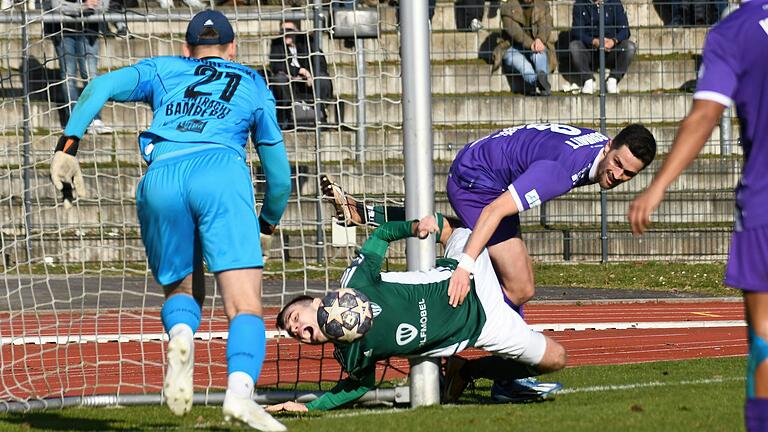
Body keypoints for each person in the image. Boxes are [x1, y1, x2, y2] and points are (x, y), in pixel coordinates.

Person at [48, 11, 291, 431]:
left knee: (182, 286)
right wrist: (266, 226)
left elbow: (100, 84)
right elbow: (281, 178)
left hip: (161, 174)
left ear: (187, 49)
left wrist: (68, 147)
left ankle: (181, 336)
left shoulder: (165, 69)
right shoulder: (251, 82)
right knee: (244, 304)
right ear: (232, 49)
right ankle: (239, 392)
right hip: (220, 171)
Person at [626, 3, 768, 431]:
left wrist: (658, 185)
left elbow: (706, 115)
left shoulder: (735, 31)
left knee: (764, 340)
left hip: (764, 207)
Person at [266, 214, 567, 412]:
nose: (298, 330)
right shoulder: (352, 354)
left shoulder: (354, 281)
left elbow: (381, 235)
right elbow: (359, 386)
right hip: (480, 328)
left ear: (314, 301)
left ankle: (366, 210)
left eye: (295, 319)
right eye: (297, 334)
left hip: (466, 274)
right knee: (555, 359)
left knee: (453, 227)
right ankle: (470, 371)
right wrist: (309, 407)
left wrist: (416, 226)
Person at [442, 123, 656, 317]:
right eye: (617, 163)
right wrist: (464, 268)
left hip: (484, 165)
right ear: (609, 146)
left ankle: (513, 349)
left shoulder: (597, 147)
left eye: (628, 173)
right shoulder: (561, 172)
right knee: (520, 288)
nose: (618, 175)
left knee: (519, 276)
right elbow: (493, 211)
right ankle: (445, 323)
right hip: (473, 182)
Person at [46, 0, 113, 133]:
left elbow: (104, 6)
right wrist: (85, 7)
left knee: (91, 75)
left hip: (89, 30)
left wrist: (79, 8)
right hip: (63, 30)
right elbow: (57, 6)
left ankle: (95, 119)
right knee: (68, 77)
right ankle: (75, 121)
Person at [268, 19, 333, 128]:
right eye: (282, 30)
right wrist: (299, 71)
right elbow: (276, 66)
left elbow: (320, 63)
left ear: (297, 31)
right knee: (279, 79)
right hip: (290, 83)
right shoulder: (277, 43)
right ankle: (285, 118)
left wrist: (310, 75)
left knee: (323, 77)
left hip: (308, 82)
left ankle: (321, 114)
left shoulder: (308, 41)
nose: (285, 33)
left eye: (288, 30)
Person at [567, 0, 636, 95]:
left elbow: (625, 30)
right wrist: (594, 41)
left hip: (611, 49)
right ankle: (588, 80)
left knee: (630, 47)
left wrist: (613, 41)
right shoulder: (580, 4)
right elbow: (577, 32)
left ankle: (613, 79)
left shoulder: (614, 3)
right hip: (589, 50)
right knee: (574, 46)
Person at [497, 0, 555, 96]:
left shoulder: (543, 5)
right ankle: (538, 82)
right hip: (513, 47)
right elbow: (515, 32)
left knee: (539, 54)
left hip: (536, 45)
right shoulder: (507, 7)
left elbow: (546, 25)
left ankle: (542, 77)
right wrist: (531, 44)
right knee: (522, 65)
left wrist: (540, 39)